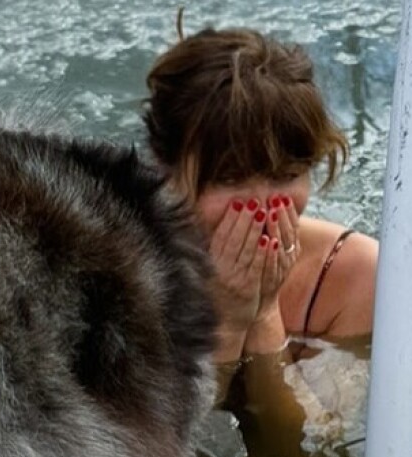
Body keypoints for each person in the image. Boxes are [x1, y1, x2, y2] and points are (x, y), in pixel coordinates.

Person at [143, 23, 378, 375]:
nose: (263, 209)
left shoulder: (355, 274)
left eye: (285, 175)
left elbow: (304, 430)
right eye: (230, 178)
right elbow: (180, 431)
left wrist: (266, 310)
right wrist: (227, 321)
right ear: (165, 171)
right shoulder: (125, 269)